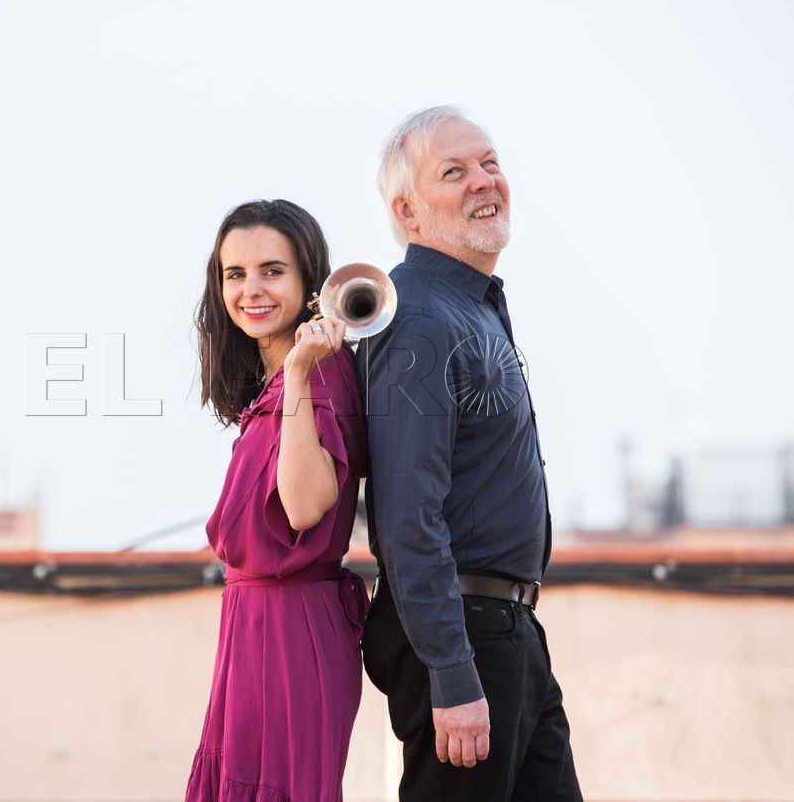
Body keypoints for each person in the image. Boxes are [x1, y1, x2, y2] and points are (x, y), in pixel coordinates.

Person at [356, 107, 583, 801]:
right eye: (453, 172)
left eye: (489, 163)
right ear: (408, 211)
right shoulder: (420, 318)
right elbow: (406, 515)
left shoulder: (469, 307)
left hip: (506, 633)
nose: (484, 181)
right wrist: (452, 672)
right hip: (463, 640)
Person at [185, 199, 368, 802]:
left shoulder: (318, 372)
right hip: (254, 625)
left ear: (309, 281)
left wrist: (297, 372)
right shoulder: (282, 378)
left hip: (293, 630)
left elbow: (304, 506)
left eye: (273, 271)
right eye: (235, 274)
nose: (251, 290)